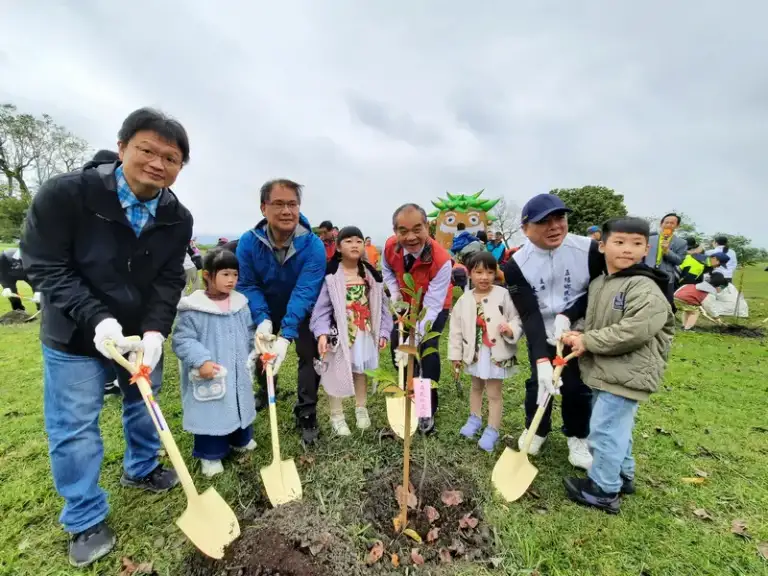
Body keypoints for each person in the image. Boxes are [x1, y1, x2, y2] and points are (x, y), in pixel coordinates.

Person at [20, 107, 192, 568]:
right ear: (122, 148)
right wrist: (96, 318)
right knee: (74, 425)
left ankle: (141, 468)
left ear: (180, 167)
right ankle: (84, 517)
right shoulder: (67, 195)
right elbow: (45, 264)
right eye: (147, 150)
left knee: (144, 405)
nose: (158, 163)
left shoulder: (177, 216)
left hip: (137, 334)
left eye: (170, 158)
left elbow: (169, 279)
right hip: (74, 335)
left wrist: (155, 330)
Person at [561, 217, 675, 513]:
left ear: (647, 248)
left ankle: (603, 489)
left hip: (628, 371)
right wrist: (579, 331)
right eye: (619, 242)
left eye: (636, 244)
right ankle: (622, 475)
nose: (627, 249)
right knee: (616, 428)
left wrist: (589, 341)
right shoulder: (602, 282)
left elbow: (635, 330)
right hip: (607, 371)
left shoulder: (644, 286)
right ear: (602, 245)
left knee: (604, 430)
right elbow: (596, 319)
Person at [503, 193, 604, 470]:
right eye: (544, 221)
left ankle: (578, 435)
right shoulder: (515, 265)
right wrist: (541, 359)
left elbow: (597, 291)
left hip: (580, 328)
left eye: (559, 218)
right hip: (543, 329)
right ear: (525, 229)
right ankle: (536, 429)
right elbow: (529, 313)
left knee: (576, 385)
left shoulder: (590, 250)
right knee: (540, 381)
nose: (555, 226)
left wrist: (568, 315)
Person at [236, 179, 326, 445]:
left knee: (309, 355)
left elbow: (305, 291)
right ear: (264, 208)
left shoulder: (313, 245)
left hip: (303, 308)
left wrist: (287, 334)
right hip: (265, 303)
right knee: (262, 347)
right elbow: (248, 284)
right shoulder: (248, 242)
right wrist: (263, 318)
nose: (286, 211)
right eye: (278, 204)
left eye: (292, 204)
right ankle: (265, 391)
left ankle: (306, 412)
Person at [172, 248, 256, 477]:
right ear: (207, 275)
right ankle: (210, 455)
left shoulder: (240, 304)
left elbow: (249, 331)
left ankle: (241, 439)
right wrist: (201, 360)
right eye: (225, 274)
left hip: (238, 370)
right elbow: (182, 339)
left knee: (239, 403)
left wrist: (257, 348)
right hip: (211, 372)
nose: (231, 280)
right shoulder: (194, 309)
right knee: (212, 410)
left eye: (235, 275)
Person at [310, 227, 392, 435]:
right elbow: (321, 309)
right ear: (338, 247)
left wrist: (383, 331)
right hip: (339, 334)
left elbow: (382, 307)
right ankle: (337, 415)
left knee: (361, 371)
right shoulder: (331, 276)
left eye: (358, 241)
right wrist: (322, 333)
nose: (354, 245)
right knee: (336, 373)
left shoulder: (371, 275)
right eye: (348, 241)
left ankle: (361, 408)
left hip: (364, 332)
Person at [383, 203, 453, 434]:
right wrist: (395, 296)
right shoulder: (390, 247)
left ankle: (426, 409)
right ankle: (408, 393)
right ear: (395, 231)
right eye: (403, 231)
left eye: (417, 229)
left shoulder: (442, 260)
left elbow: (432, 307)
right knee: (397, 345)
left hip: (434, 306)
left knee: (427, 350)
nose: (411, 237)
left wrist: (414, 342)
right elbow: (387, 272)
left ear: (428, 226)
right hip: (405, 301)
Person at [449, 252, 522, 452]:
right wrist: (455, 354)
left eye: (489, 272)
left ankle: (492, 429)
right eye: (479, 272)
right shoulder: (464, 300)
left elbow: (516, 318)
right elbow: (455, 329)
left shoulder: (503, 295)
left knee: (494, 392)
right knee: (475, 386)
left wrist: (511, 329)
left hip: (495, 353)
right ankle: (474, 418)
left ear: (495, 273)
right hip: (474, 352)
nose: (484, 277)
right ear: (470, 273)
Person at [674, 272, 749, 329]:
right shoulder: (708, 294)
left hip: (676, 297)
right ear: (718, 287)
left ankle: (684, 325)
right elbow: (709, 307)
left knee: (688, 311)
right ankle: (687, 328)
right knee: (695, 313)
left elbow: (686, 289)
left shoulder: (700, 285)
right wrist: (716, 317)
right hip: (685, 299)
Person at [644, 213, 688, 299]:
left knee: (664, 299)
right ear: (661, 224)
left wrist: (667, 251)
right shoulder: (649, 239)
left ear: (677, 226)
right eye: (666, 222)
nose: (668, 225)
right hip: (648, 272)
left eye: (672, 223)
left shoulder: (681, 242)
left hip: (666, 276)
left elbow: (679, 261)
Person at [0, 247, 40, 312]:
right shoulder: (4, 257)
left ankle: (41, 309)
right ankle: (18, 310)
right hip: (9, 275)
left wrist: (38, 290)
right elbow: (1, 272)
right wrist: (6, 286)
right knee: (12, 293)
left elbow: (39, 275)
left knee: (39, 293)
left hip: (28, 274)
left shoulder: (36, 259)